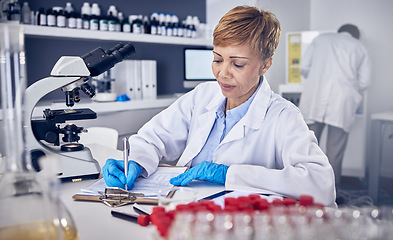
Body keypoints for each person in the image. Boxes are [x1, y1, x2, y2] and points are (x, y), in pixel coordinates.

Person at [103, 6, 336, 206]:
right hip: (183, 211)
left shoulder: (283, 116)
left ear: (265, 65)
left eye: (238, 64)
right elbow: (152, 138)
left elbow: (321, 185)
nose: (222, 73)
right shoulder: (203, 95)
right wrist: (135, 160)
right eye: (217, 59)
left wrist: (229, 173)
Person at [298, 24, 371, 185]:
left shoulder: (320, 39)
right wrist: (349, 88)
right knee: (334, 153)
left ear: (339, 31)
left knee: (305, 148)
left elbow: (304, 67)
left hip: (315, 99)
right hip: (342, 103)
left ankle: (302, 188)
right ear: (356, 35)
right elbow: (364, 82)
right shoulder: (360, 47)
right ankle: (330, 194)